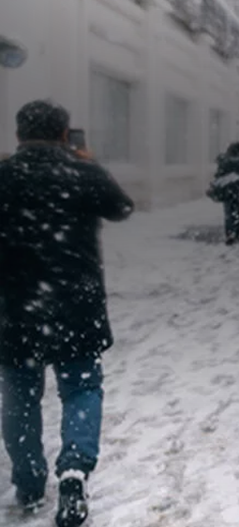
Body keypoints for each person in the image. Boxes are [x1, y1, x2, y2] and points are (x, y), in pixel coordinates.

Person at [0, 100, 134, 526]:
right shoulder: (82, 173)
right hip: (76, 307)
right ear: (64, 134)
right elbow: (122, 207)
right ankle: (74, 471)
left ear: (19, 134)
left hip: (15, 308)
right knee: (80, 388)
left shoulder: (3, 176)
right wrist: (89, 164)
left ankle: (29, 480)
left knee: (20, 396)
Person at [213, 142, 239, 244]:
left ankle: (229, 233)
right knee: (237, 211)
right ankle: (236, 233)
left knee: (228, 211)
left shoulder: (225, 161)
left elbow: (218, 175)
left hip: (227, 190)